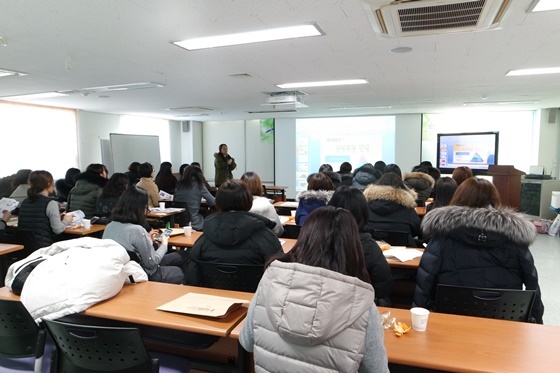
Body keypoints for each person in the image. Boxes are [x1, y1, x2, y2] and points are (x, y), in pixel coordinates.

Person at [239, 206, 389, 372]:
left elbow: (246, 342)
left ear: (304, 238)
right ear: (353, 246)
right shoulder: (363, 306)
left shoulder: (271, 280)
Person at [414, 177, 545, 323]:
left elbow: (425, 282)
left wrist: (419, 319)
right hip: (505, 318)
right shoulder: (515, 239)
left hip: (451, 318)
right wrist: (537, 321)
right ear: (495, 201)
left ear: (458, 198)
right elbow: (532, 283)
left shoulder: (442, 237)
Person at [186, 180, 282, 286]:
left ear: (218, 203)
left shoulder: (204, 239)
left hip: (213, 299)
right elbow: (279, 273)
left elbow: (192, 275)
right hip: (255, 299)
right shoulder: (266, 236)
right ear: (249, 202)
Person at [102, 186, 189, 284]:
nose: (147, 210)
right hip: (144, 274)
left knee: (184, 255)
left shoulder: (109, 226)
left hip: (123, 272)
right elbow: (152, 263)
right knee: (181, 271)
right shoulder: (138, 230)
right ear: (138, 208)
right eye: (146, 207)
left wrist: (147, 239)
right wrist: (164, 244)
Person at [328, 186, 393, 305]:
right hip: (359, 306)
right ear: (363, 213)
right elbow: (383, 285)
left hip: (322, 303)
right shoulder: (369, 246)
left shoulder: (316, 239)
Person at [363, 172, 421, 248]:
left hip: (370, 250)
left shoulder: (365, 206)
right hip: (404, 252)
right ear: (402, 187)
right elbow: (417, 230)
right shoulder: (408, 208)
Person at [18, 170, 73, 248]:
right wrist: (66, 220)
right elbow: (57, 230)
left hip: (26, 245)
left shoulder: (25, 202)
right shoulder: (51, 203)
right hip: (44, 247)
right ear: (48, 183)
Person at [241, 171, 284, 237]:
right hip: (263, 243)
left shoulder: (235, 204)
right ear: (259, 186)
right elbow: (278, 230)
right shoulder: (266, 204)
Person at [174, 166, 216, 230]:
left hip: (178, 218)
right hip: (193, 220)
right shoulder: (199, 185)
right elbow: (213, 202)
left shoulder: (179, 185)